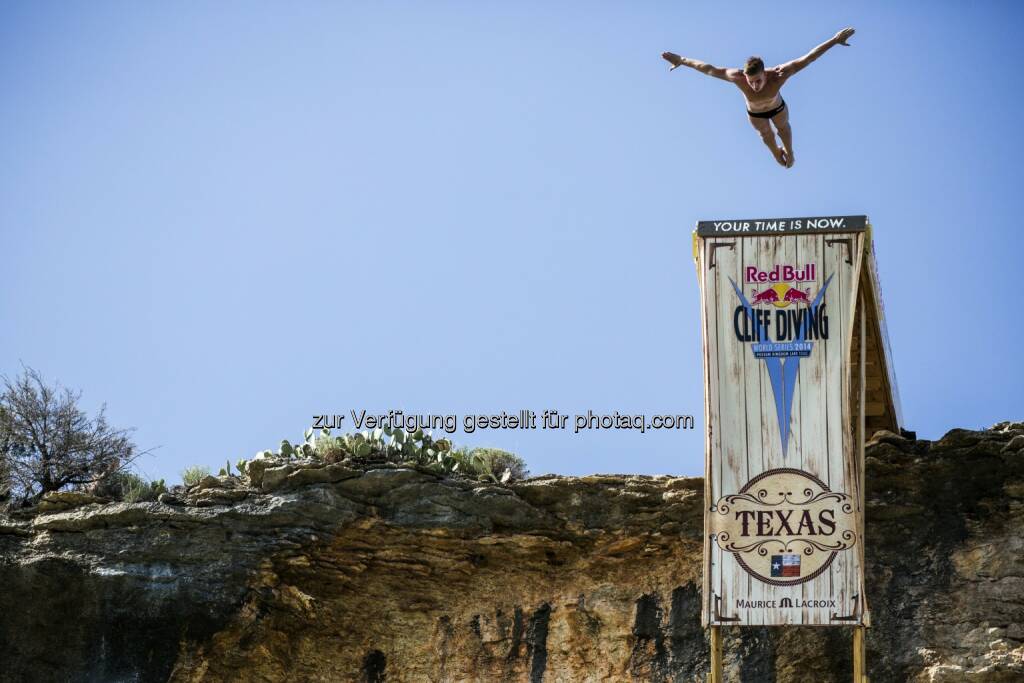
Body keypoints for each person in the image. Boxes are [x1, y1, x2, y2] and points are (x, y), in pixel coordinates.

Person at [661, 28, 855, 168]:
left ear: (765, 74)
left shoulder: (779, 74)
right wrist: (682, 60)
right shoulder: (737, 77)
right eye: (751, 81)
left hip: (777, 107)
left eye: (758, 81)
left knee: (783, 129)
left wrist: (834, 40)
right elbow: (708, 69)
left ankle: (790, 153)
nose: (754, 85)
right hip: (754, 112)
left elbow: (809, 57)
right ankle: (776, 155)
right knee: (765, 135)